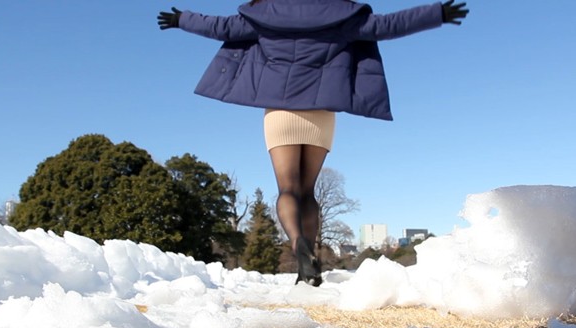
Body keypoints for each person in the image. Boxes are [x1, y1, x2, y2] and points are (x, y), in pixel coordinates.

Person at [158, 0, 468, 286]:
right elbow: (388, 26)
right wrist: (437, 13)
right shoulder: (341, 15)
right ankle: (310, 266)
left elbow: (219, 27)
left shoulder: (264, 15)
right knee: (308, 191)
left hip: (280, 112)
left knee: (288, 189)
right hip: (320, 114)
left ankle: (299, 246)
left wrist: (181, 19)